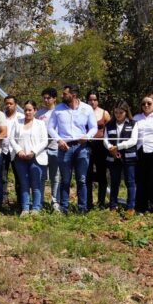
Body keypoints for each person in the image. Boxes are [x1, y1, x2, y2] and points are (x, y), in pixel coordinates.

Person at [46, 84, 96, 214]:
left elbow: (93, 127)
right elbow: (50, 128)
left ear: (73, 95)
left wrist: (87, 136)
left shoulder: (87, 108)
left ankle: (82, 209)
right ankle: (64, 208)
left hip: (82, 147)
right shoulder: (58, 109)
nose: (62, 95)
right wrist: (59, 140)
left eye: (65, 94)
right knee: (65, 179)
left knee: (82, 179)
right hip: (64, 147)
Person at [10, 100, 48, 216]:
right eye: (26, 110)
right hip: (20, 158)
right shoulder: (17, 123)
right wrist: (19, 151)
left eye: (30, 110)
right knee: (24, 184)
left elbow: (44, 141)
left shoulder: (40, 124)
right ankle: (25, 209)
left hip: (35, 158)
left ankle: (36, 208)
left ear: (35, 111)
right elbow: (12, 139)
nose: (27, 112)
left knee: (36, 184)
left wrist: (33, 152)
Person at [103, 100, 138, 215]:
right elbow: (105, 140)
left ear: (126, 112)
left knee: (130, 182)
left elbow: (133, 140)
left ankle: (131, 207)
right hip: (113, 157)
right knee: (114, 181)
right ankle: (113, 206)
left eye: (121, 112)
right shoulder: (109, 124)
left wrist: (118, 146)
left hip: (129, 157)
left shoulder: (133, 123)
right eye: (116, 112)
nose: (118, 115)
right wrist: (110, 148)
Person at [86, 90, 111, 209]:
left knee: (102, 174)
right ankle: (88, 202)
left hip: (101, 147)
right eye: (90, 99)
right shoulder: (83, 112)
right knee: (87, 175)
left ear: (98, 101)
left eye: (95, 99)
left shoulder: (104, 113)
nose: (92, 102)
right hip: (87, 146)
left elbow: (111, 129)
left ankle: (101, 202)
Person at [37, 87, 61, 212]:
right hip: (42, 149)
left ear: (54, 99)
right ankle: (39, 201)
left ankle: (55, 201)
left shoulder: (60, 111)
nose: (46, 100)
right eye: (44, 98)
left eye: (48, 98)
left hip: (56, 148)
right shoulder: (39, 113)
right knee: (41, 176)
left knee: (55, 176)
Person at [1, 95, 24, 209]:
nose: (8, 106)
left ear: (15, 105)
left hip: (17, 151)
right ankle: (4, 201)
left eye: (11, 103)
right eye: (7, 103)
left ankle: (20, 201)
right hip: (3, 150)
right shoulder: (1, 117)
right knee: (2, 177)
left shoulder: (21, 117)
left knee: (19, 176)